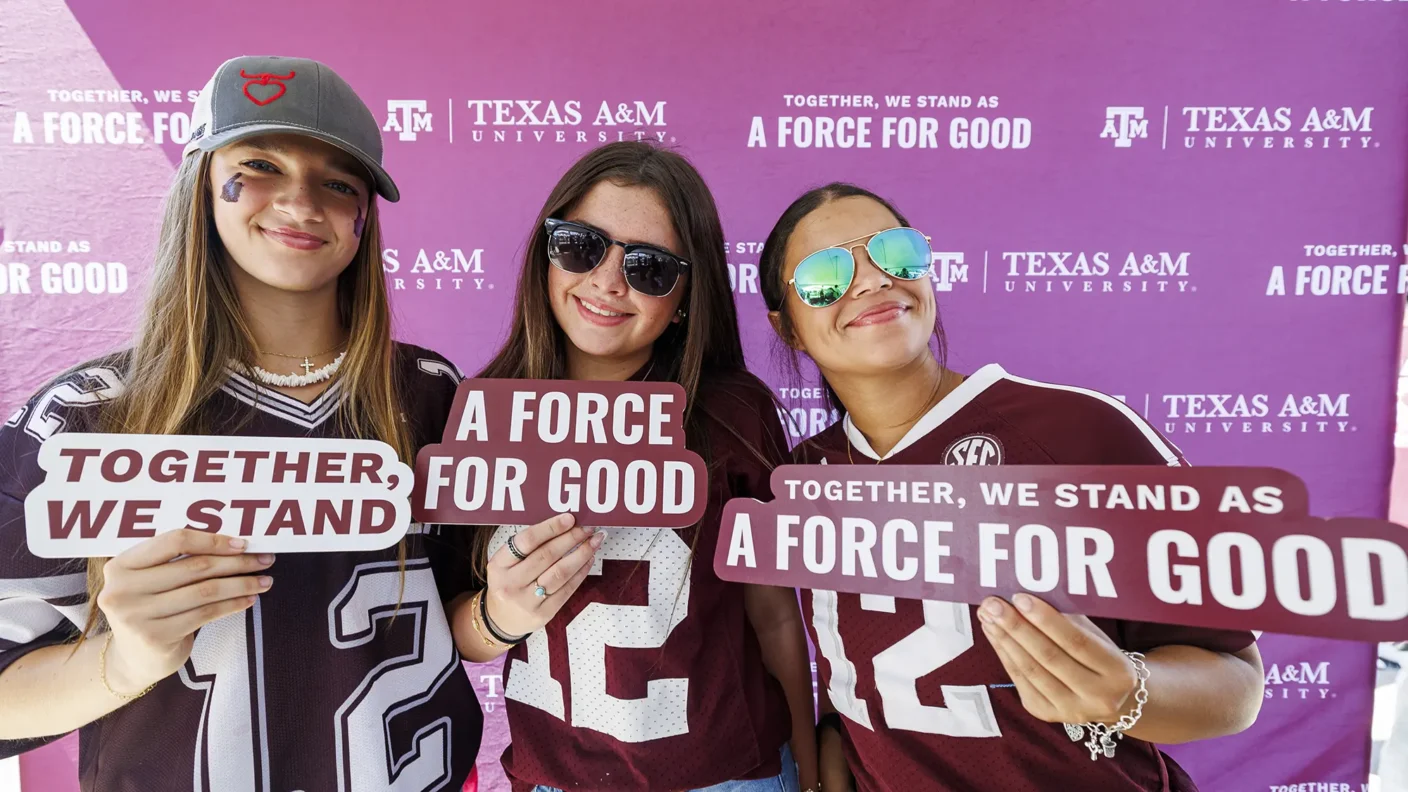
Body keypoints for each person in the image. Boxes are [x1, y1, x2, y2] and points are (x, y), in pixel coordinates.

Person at [0, 55, 582, 792]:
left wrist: (502, 614)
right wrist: (120, 663)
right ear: (202, 186)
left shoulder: (436, 396)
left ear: (366, 215)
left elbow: (460, 616)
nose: (301, 203)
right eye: (261, 165)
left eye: (338, 182)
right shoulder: (86, 419)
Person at [757, 182, 1265, 792]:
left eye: (896, 253)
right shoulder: (797, 484)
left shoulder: (1078, 432)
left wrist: (1129, 692)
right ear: (786, 326)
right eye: (826, 273)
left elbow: (1236, 683)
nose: (871, 280)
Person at [436, 141, 819, 792]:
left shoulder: (734, 411)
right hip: (555, 778)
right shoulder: (483, 408)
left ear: (687, 293)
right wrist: (500, 616)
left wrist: (808, 766)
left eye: (648, 267)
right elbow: (451, 625)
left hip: (732, 776)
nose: (609, 282)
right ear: (545, 252)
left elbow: (775, 615)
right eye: (581, 245)